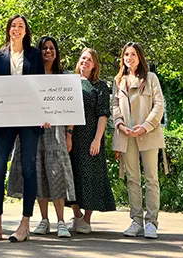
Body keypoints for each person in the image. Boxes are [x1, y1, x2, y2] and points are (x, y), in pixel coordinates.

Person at [8, 36, 75, 238]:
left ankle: (61, 221)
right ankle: (44, 220)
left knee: (56, 173)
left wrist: (69, 133)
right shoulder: (30, 75)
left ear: (56, 52)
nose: (48, 51)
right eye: (44, 48)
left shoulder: (64, 76)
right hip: (31, 130)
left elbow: (70, 109)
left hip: (56, 131)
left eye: (51, 48)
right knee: (36, 173)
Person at [0, 15, 46, 243]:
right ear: (8, 30)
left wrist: (45, 114)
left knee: (29, 169)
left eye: (21, 26)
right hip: (2, 119)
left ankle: (24, 224)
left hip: (29, 119)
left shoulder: (35, 55)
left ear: (26, 31)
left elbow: (42, 86)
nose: (17, 29)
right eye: (13, 26)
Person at [112, 42, 165, 240]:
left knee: (151, 179)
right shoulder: (119, 81)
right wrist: (120, 125)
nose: (129, 58)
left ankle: (151, 222)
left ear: (140, 57)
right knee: (132, 179)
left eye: (133, 54)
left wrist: (146, 126)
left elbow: (159, 105)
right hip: (126, 136)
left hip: (148, 135)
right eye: (126, 54)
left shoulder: (151, 78)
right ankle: (136, 221)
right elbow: (115, 106)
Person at [67, 47, 116, 234]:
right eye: (83, 58)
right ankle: (77, 215)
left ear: (94, 64)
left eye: (89, 59)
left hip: (91, 137)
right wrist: (67, 134)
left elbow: (103, 115)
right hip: (72, 136)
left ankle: (86, 220)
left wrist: (97, 139)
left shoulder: (100, 86)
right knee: (72, 176)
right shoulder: (69, 82)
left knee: (90, 177)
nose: (85, 62)